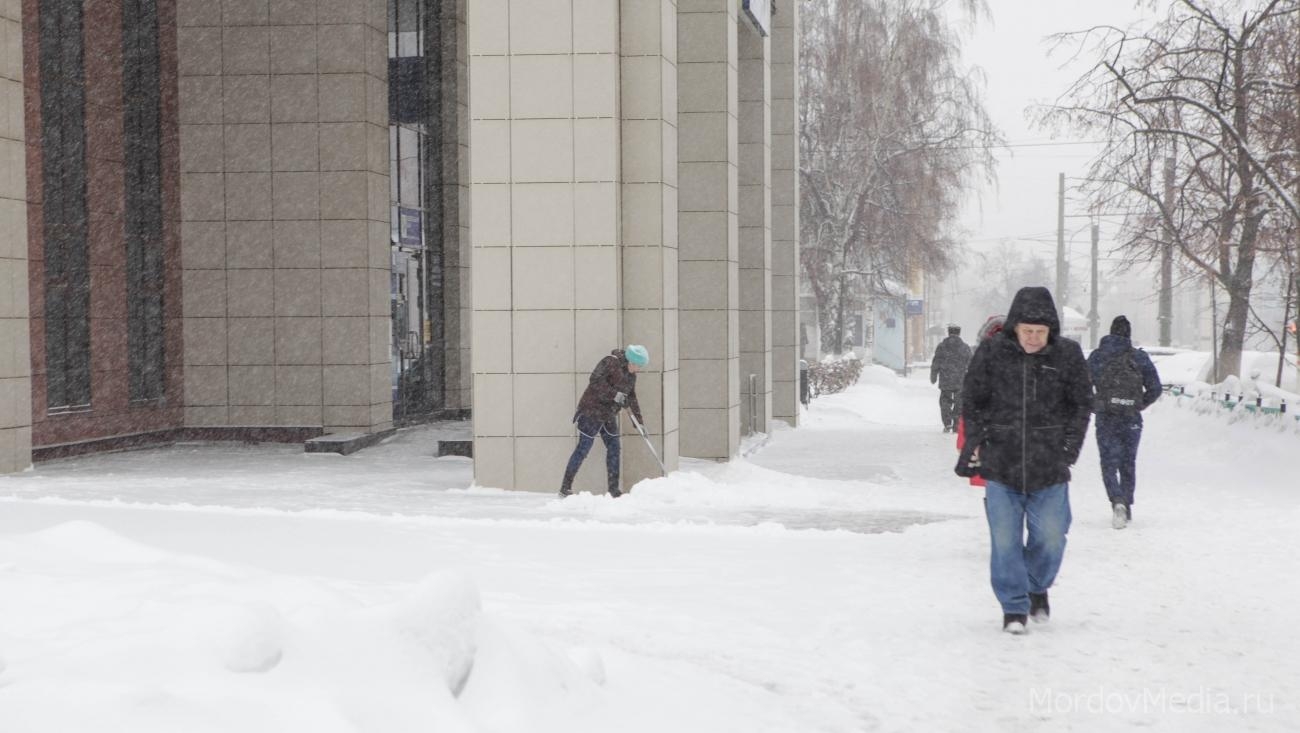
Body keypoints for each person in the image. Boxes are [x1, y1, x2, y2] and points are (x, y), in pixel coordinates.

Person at [959, 287, 1093, 634]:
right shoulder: (992, 354)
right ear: (1014, 328)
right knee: (1005, 542)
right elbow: (971, 401)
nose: (1033, 338)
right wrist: (978, 441)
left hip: (1049, 467)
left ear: (1051, 331)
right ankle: (1014, 608)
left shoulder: (1067, 356)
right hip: (1001, 464)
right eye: (1026, 331)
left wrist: (1068, 450)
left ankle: (1036, 586)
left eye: (1040, 332)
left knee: (1051, 537)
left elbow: (1082, 405)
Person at [1086, 316, 1162, 529]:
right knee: (1128, 462)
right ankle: (1126, 505)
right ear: (1129, 334)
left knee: (1108, 463)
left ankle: (1116, 500)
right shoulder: (1139, 358)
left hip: (1106, 417)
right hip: (1131, 419)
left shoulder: (1098, 356)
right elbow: (1155, 388)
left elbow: (1081, 385)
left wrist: (1096, 404)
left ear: (1110, 332)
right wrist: (1138, 404)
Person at [558, 345, 649, 498]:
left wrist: (639, 423)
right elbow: (594, 381)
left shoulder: (631, 375)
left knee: (614, 448)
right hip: (591, 411)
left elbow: (631, 398)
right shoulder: (610, 362)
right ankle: (565, 487)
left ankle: (613, 490)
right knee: (583, 449)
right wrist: (614, 394)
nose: (638, 369)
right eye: (638, 366)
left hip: (608, 414)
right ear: (631, 361)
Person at [955, 315, 1005, 488]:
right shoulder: (1019, 360)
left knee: (995, 486)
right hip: (1008, 438)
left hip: (988, 435)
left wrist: (965, 442)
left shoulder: (981, 359)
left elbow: (970, 406)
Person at [930, 325, 972, 432]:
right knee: (959, 403)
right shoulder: (965, 347)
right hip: (960, 380)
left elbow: (936, 362)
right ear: (959, 333)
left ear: (949, 333)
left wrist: (933, 376)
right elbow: (971, 364)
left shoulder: (942, 346)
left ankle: (947, 423)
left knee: (945, 401)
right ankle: (956, 424)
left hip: (946, 379)